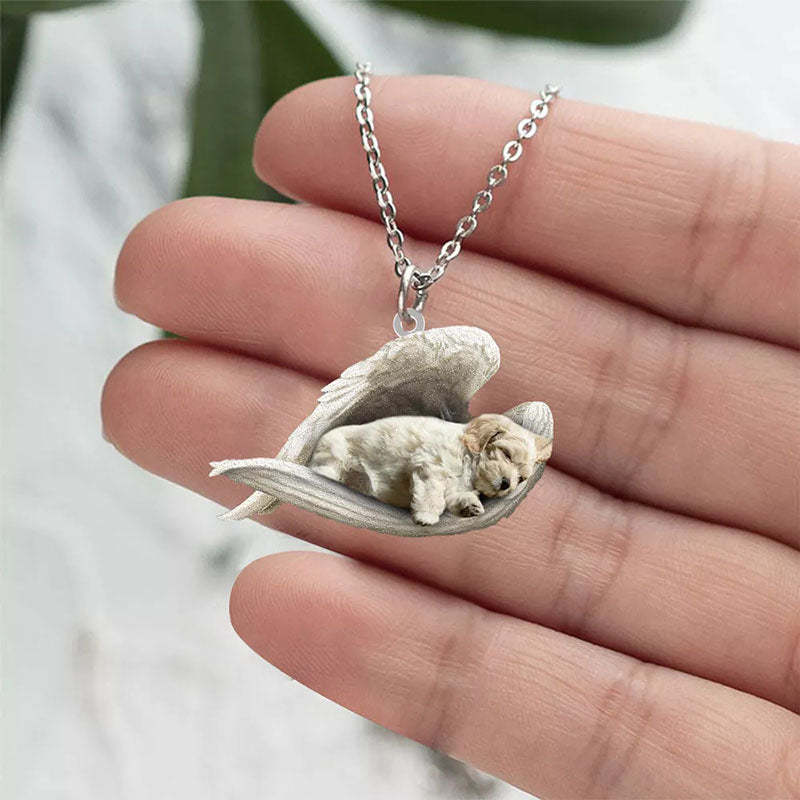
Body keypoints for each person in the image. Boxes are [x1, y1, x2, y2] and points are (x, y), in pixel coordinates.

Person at [101, 75, 800, 798]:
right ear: (484, 442)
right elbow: (427, 478)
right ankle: (287, 475)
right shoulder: (448, 428)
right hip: (353, 460)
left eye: (514, 478)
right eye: (505, 467)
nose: (508, 484)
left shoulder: (487, 468)